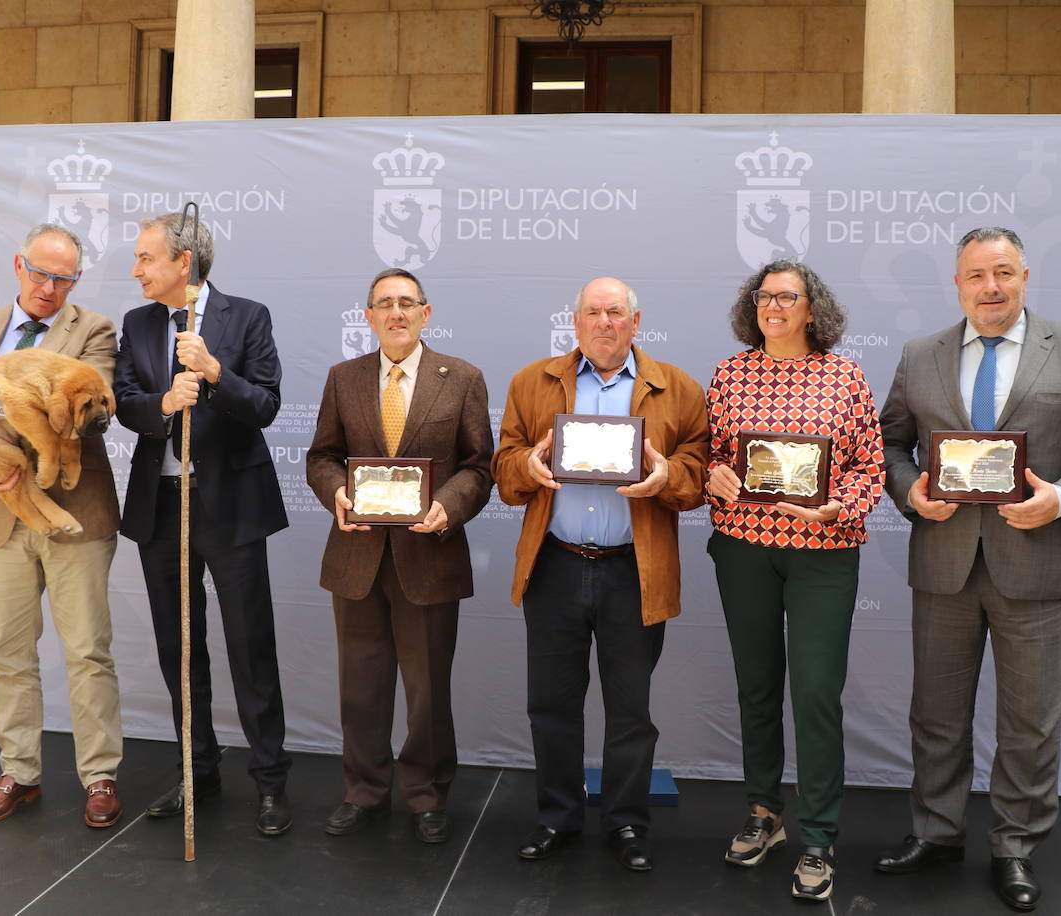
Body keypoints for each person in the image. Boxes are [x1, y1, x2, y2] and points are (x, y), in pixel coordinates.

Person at [874, 227, 1061, 912]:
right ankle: (935, 832)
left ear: (1024, 276)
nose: (991, 288)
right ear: (957, 285)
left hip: (1037, 564)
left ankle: (1015, 846)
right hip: (944, 563)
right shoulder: (920, 354)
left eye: (1003, 273)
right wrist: (909, 492)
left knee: (1029, 721)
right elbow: (889, 443)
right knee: (936, 715)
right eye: (976, 276)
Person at [492, 277, 708, 872]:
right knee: (551, 706)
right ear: (576, 321)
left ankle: (628, 823)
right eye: (594, 312)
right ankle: (557, 817)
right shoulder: (532, 382)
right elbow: (504, 466)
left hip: (633, 571)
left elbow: (696, 472)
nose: (605, 322)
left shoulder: (679, 389)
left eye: (617, 313)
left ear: (637, 323)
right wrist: (528, 467)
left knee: (631, 711)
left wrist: (669, 477)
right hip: (556, 563)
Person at [0, 223, 124, 829]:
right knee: (7, 653)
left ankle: (100, 777)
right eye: (40, 273)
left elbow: (87, 416)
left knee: (87, 651)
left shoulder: (92, 331)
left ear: (77, 281)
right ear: (19, 266)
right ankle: (19, 772)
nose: (49, 287)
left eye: (63, 278)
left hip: (75, 512)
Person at [704, 260, 884, 900]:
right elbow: (711, 459)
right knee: (756, 685)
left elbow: (870, 466)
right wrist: (713, 479)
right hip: (744, 548)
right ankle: (764, 812)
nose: (773, 305)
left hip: (822, 551)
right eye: (764, 296)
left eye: (788, 296)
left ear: (814, 308)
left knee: (813, 692)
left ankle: (818, 835)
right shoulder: (729, 375)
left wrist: (843, 504)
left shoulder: (846, 378)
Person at [113, 214, 293, 837]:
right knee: (178, 649)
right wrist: (162, 404)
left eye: (145, 258)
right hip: (161, 506)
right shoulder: (136, 324)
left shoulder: (246, 316)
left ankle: (270, 781)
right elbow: (124, 404)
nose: (135, 270)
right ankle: (199, 771)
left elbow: (266, 405)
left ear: (182, 263)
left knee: (250, 646)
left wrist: (214, 372)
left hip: (232, 505)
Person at [306, 268, 493, 845]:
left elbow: (479, 466)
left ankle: (426, 795)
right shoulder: (344, 378)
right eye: (383, 304)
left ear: (426, 313)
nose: (396, 312)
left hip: (429, 555)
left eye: (406, 303)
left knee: (428, 690)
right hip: (356, 557)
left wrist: (447, 506)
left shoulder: (460, 378)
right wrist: (336, 491)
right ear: (368, 316)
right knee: (360, 688)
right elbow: (322, 456)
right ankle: (363, 791)